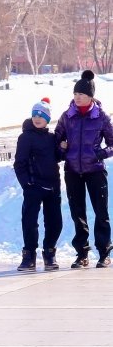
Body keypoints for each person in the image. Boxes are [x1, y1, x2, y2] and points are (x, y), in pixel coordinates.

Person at [55, 70, 113, 268]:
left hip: (95, 170)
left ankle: (104, 253)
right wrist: (63, 151)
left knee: (101, 212)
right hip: (73, 171)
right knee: (77, 213)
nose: (77, 97)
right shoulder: (67, 116)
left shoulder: (101, 117)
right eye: (75, 94)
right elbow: (57, 139)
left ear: (90, 97)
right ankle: (82, 254)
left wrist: (101, 153)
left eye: (81, 94)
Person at [13, 98, 62, 272]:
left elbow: (57, 157)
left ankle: (49, 253)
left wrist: (62, 148)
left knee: (55, 222)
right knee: (30, 221)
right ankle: (29, 256)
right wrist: (27, 183)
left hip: (53, 186)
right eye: (35, 114)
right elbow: (19, 163)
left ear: (48, 118)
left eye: (41, 115)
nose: (37, 118)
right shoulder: (26, 137)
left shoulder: (52, 137)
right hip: (34, 186)